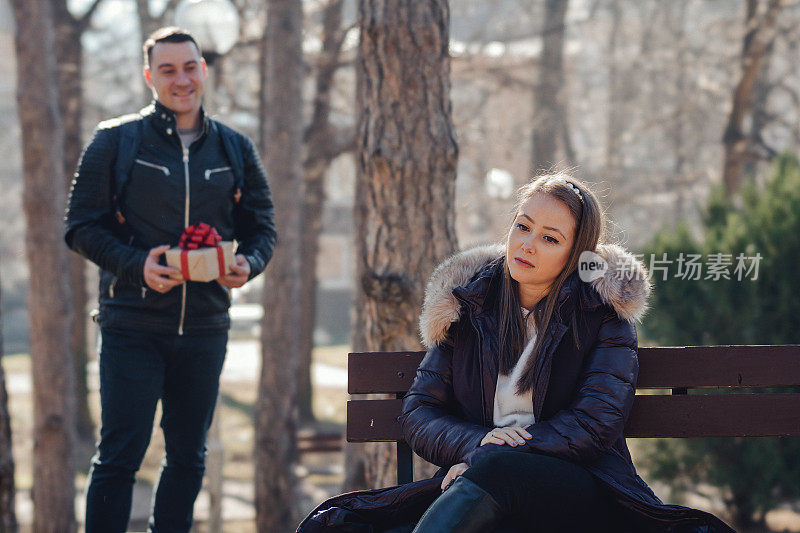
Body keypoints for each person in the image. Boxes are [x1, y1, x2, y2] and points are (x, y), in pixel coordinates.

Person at [298, 175, 732, 532]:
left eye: (549, 238)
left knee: (501, 474)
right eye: (522, 227)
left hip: (578, 492)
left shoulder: (602, 316)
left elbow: (595, 424)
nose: (527, 245)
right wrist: (477, 445)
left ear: (576, 254)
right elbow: (418, 411)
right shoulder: (471, 307)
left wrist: (489, 459)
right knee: (335, 527)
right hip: (478, 482)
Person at [65, 27, 275, 533]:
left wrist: (248, 263)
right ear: (149, 77)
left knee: (188, 455)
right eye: (167, 70)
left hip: (204, 327)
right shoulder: (115, 141)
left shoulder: (234, 147)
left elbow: (263, 228)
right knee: (120, 456)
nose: (181, 79)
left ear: (202, 70)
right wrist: (138, 265)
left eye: (189, 67)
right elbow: (79, 227)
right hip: (131, 325)